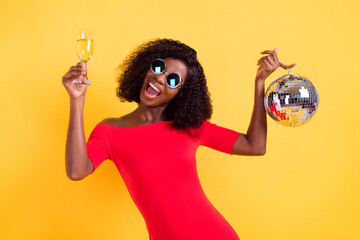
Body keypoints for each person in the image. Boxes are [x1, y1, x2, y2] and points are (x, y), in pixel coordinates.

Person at [62, 39, 296, 240]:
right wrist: (77, 100)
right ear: (146, 67)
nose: (161, 78)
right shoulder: (109, 131)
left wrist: (259, 83)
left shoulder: (190, 127)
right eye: (158, 67)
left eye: (173, 79)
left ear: (180, 92)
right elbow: (76, 171)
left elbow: (255, 146)